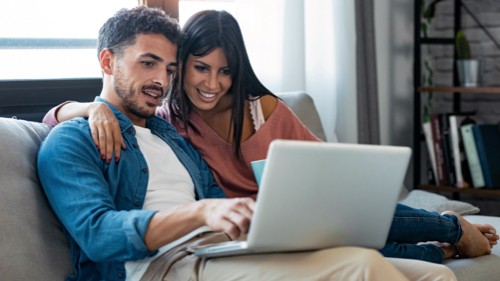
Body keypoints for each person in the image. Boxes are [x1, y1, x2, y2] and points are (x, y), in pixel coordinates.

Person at [40, 8, 472, 279]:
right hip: (164, 262)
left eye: (168, 68)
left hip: (228, 244)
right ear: (107, 61)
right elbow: (98, 235)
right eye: (148, 63)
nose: (161, 80)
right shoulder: (73, 141)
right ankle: (447, 232)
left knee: (432, 275)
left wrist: (242, 220)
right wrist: (83, 108)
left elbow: (330, 187)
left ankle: (446, 232)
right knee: (362, 265)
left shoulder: (171, 134)